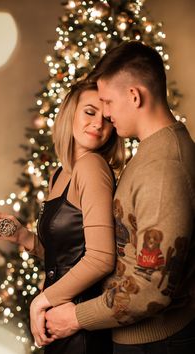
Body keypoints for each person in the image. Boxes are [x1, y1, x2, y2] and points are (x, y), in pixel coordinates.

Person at [44, 40, 195, 354]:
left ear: (134, 95)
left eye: (108, 102)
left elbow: (153, 286)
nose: (105, 116)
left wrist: (75, 317)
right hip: (137, 337)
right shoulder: (151, 152)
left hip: (155, 342)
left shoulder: (164, 167)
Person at [0, 80, 125, 354]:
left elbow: (101, 259)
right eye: (89, 112)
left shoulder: (92, 166)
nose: (99, 124)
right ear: (70, 113)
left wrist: (40, 301)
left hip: (80, 321)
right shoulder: (60, 173)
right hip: (60, 314)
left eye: (106, 118)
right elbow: (65, 258)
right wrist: (24, 237)